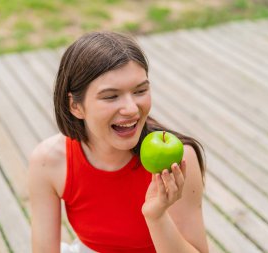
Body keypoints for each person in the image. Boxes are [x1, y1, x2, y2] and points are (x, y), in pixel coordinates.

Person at [28, 31, 209, 253]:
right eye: (110, 96)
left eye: (140, 91)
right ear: (75, 106)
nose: (132, 109)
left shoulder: (178, 160)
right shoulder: (49, 161)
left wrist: (156, 215)